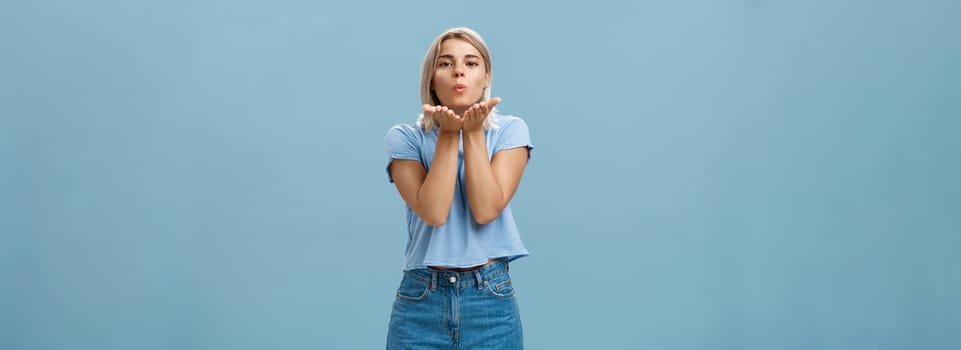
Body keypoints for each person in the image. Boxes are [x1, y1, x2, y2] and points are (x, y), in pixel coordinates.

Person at [384, 27, 533, 349]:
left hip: (490, 299)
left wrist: (474, 133)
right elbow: (434, 213)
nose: (458, 72)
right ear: (431, 79)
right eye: (445, 63)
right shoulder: (404, 137)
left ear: (486, 76)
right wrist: (450, 136)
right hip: (421, 300)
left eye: (471, 62)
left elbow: (486, 210)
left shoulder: (511, 130)